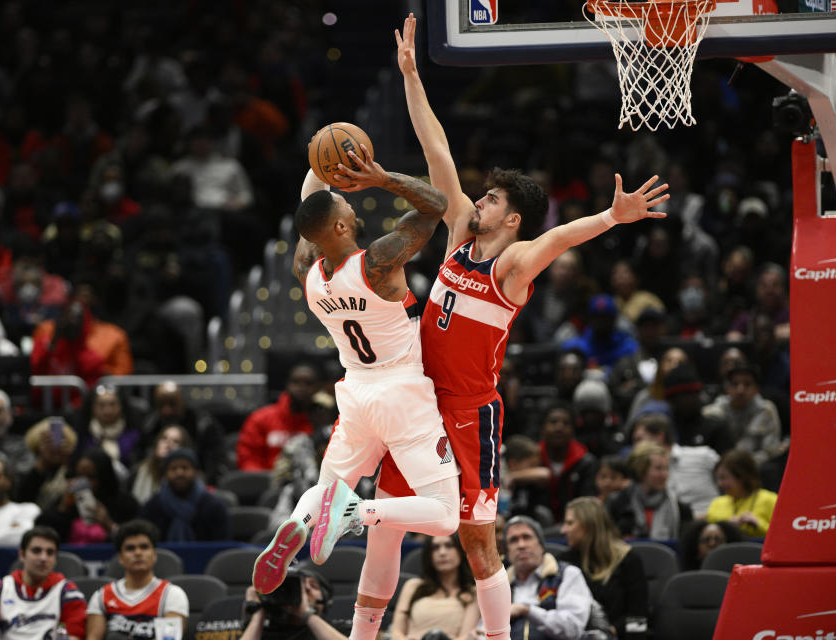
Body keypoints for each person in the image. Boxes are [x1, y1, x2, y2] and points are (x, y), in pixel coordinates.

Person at [370, 15, 669, 639]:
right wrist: (410, 76)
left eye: (493, 200)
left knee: (478, 541)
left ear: (512, 220)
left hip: (470, 412)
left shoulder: (511, 265)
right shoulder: (457, 240)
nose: (480, 201)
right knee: (390, 529)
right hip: (418, 403)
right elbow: (438, 153)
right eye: (484, 196)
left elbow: (558, 235)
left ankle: (496, 637)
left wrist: (610, 219)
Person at [252, 147, 462, 640]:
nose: (352, 205)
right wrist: (379, 176)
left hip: (355, 392)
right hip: (402, 391)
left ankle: (300, 523)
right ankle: (359, 511)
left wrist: (320, 164)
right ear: (342, 228)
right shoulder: (378, 263)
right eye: (346, 206)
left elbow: (312, 201)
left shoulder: (308, 272)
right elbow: (435, 205)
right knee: (446, 516)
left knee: (325, 490)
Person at [0, 526, 86, 640]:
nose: (43, 558)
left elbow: (74, 632)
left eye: (50, 552)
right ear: (22, 555)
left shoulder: (68, 592)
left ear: (55, 559)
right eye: (36, 551)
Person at [559, 498, 648, 640]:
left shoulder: (629, 561)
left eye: (570, 523)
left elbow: (639, 619)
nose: (563, 530)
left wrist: (610, 632)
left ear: (589, 525)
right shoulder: (565, 562)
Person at [85, 519, 189, 640]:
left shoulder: (172, 594)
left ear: (154, 554)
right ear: (120, 557)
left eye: (144, 547)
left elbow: (169, 638)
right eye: (130, 548)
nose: (138, 552)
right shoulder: (102, 596)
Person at [503, 516, 592, 640]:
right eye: (513, 540)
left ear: (541, 545)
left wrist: (527, 610)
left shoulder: (567, 574)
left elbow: (572, 628)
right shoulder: (499, 586)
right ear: (507, 552)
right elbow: (485, 627)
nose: (521, 545)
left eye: (527, 537)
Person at [35, 448, 138, 544]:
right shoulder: (67, 500)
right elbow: (40, 531)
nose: (83, 483)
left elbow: (137, 539)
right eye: (78, 476)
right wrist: (63, 509)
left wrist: (110, 525)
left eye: (90, 477)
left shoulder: (124, 503)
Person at [390, 534, 480, 640]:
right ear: (429, 554)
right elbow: (396, 632)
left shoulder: (473, 592)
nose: (442, 552)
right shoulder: (413, 586)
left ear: (461, 550)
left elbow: (466, 636)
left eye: (449, 545)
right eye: (435, 548)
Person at [236, 364, 320, 471]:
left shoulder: (323, 421)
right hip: (265, 483)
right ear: (287, 385)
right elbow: (248, 459)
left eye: (308, 383)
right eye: (296, 382)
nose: (301, 388)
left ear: (318, 388)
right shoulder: (260, 418)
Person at [139, 448, 231, 541]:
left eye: (185, 468)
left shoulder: (214, 507)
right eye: (173, 469)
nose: (179, 473)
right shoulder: (152, 507)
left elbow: (222, 545)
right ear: (166, 474)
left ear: (195, 472)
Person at [702, 360, 783, 465]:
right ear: (727, 388)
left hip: (755, 468)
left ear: (756, 389)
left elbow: (770, 451)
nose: (740, 390)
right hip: (721, 467)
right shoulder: (713, 412)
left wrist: (744, 465)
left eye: (747, 384)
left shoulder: (766, 410)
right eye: (735, 384)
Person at [605, 441, 690, 539]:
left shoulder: (681, 509)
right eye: (658, 468)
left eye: (666, 468)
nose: (664, 474)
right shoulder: (617, 503)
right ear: (641, 470)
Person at [240, 563, 347, 640]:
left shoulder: (339, 629)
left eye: (313, 585)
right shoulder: (261, 633)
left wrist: (307, 614)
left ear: (326, 597)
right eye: (290, 589)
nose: (306, 590)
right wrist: (259, 612)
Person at [706, 449, 778, 537]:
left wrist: (758, 524)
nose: (720, 484)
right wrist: (727, 527)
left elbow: (781, 536)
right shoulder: (716, 504)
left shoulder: (771, 500)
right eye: (718, 478)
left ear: (742, 476)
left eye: (724, 478)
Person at [15, 417, 79, 508]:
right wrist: (42, 462)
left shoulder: (75, 470)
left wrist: (67, 458)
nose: (54, 446)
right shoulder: (28, 474)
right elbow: (22, 501)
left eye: (60, 439)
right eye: (47, 442)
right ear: (38, 446)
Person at [129, 425, 193, 504]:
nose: (168, 444)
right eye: (164, 439)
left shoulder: (187, 478)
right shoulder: (138, 471)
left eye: (176, 441)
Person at [678, 520, 742, 572]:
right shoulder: (687, 579)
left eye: (718, 540)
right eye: (706, 540)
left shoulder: (738, 576)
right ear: (696, 547)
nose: (712, 543)